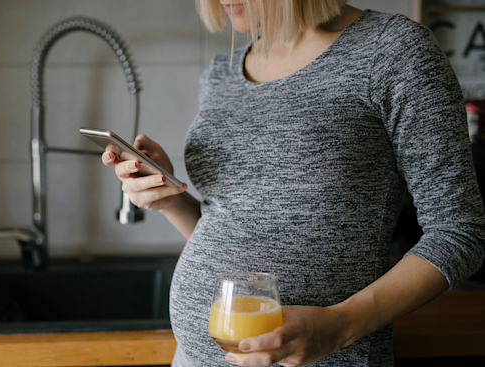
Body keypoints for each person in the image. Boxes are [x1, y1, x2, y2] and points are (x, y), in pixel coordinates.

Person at [101, 1, 485, 366]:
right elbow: (237, 227)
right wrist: (169, 199)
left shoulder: (393, 49)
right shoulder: (221, 73)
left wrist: (342, 325)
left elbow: (459, 233)